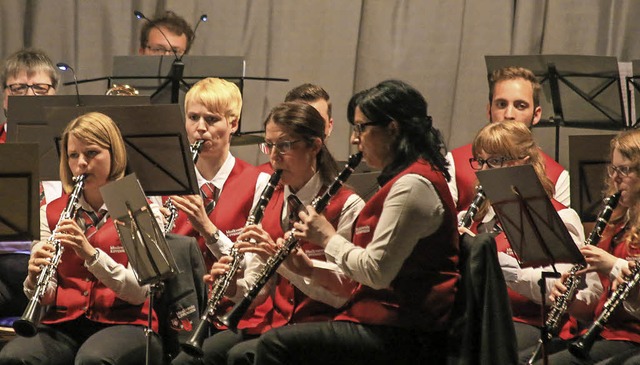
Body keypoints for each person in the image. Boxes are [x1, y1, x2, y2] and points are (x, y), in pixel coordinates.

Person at [245, 79, 459, 365]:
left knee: (275, 346)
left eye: (361, 128)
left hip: (406, 332)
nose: (354, 139)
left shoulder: (413, 186)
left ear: (392, 129)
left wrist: (327, 239)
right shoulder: (402, 181)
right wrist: (307, 268)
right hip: (382, 322)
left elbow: (375, 272)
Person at [172, 101, 364, 365]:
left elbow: (344, 292)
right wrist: (231, 287)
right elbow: (256, 290)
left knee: (241, 357)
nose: (273, 156)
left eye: (284, 145)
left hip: (325, 323)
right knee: (186, 361)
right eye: (269, 145)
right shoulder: (269, 197)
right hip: (274, 323)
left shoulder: (347, 205)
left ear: (315, 146)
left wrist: (286, 264)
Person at [0, 112, 163, 364]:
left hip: (127, 322)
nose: (81, 163)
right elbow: (45, 294)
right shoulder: (52, 211)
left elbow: (140, 292)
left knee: (93, 359)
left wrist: (91, 254)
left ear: (114, 155)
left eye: (92, 153)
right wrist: (34, 279)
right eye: (73, 155)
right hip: (63, 323)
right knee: (15, 356)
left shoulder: (138, 207)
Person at [457, 121, 585, 358]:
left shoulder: (560, 217)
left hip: (531, 322)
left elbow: (560, 289)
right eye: (480, 161)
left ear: (523, 162)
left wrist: (497, 266)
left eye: (495, 161)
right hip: (480, 318)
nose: (484, 171)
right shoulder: (471, 218)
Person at [540, 129, 640, 364]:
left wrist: (613, 265)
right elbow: (595, 306)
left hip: (633, 337)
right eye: (613, 169)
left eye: (625, 170)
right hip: (603, 334)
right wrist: (572, 302)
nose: (616, 178)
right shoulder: (614, 222)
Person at [165, 77, 269, 269]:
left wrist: (207, 228)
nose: (201, 128)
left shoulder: (259, 183)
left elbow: (251, 267)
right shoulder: (165, 180)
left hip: (231, 297)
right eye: (193, 118)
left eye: (211, 119)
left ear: (234, 124)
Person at [446, 66, 570, 213]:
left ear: (536, 115)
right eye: (501, 104)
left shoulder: (559, 177)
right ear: (489, 110)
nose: (509, 114)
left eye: (520, 106)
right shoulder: (454, 162)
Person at [0, 48, 61, 318]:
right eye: (18, 88)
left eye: (39, 88)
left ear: (54, 94)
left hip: (58, 262)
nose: (29, 97)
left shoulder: (75, 150)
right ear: (5, 96)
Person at [257, 83, 334, 173]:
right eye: (299, 122)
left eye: (317, 121)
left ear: (330, 126)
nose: (309, 129)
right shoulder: (260, 178)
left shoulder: (344, 177)